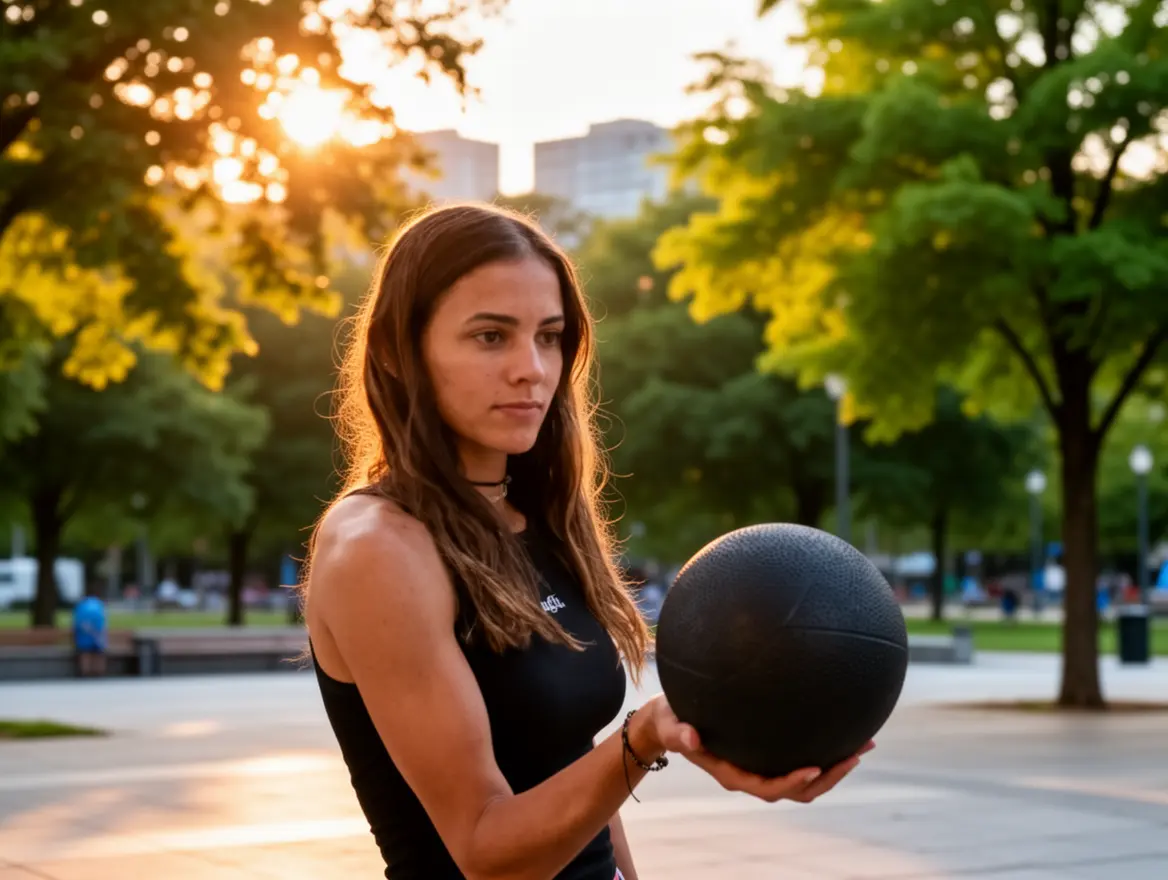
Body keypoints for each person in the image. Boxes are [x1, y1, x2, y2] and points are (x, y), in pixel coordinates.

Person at [300, 203, 872, 880]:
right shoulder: (378, 547)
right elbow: (485, 850)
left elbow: (569, 764)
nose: (532, 368)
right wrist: (651, 733)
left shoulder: (536, 517)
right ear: (399, 352)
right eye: (490, 337)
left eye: (549, 336)